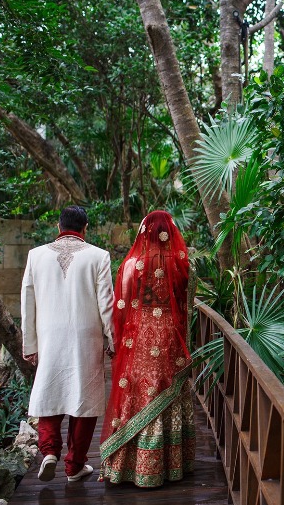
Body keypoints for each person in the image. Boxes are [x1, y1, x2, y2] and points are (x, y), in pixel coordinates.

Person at [99, 210, 195, 487]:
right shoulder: (182, 264)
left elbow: (123, 304)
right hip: (170, 336)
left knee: (140, 388)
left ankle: (129, 465)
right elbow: (187, 303)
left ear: (144, 232)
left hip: (139, 335)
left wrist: (117, 341)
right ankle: (172, 465)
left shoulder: (132, 263)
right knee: (166, 388)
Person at [21, 205, 115, 482]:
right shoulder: (99, 256)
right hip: (86, 336)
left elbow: (28, 303)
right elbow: (106, 303)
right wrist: (112, 338)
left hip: (49, 336)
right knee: (83, 397)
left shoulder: (36, 256)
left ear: (58, 227)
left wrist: (30, 344)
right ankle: (75, 465)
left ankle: (49, 451)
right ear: (85, 228)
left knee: (50, 389)